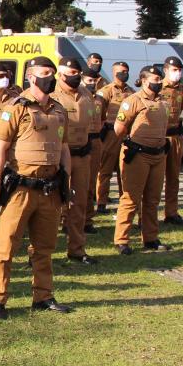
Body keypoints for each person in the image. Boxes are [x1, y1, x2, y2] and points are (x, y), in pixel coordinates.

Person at [0, 56, 72, 320]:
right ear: (31, 77)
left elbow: (64, 148)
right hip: (20, 188)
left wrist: (67, 182)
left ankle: (43, 296)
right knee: (6, 247)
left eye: (53, 73)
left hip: (50, 189)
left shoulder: (59, 110)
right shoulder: (15, 108)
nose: (51, 78)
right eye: (45, 73)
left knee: (44, 248)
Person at [112, 66, 171, 254]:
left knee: (152, 199)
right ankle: (122, 240)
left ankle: (151, 238)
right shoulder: (133, 101)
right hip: (138, 155)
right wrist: (131, 142)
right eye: (155, 79)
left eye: (160, 79)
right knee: (131, 198)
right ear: (144, 81)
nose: (159, 82)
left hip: (158, 155)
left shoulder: (164, 101)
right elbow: (119, 128)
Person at [50, 57, 97, 264]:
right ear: (60, 75)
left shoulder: (86, 94)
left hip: (82, 155)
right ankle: (40, 253)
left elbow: (92, 124)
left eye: (78, 73)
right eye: (71, 74)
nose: (76, 77)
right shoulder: (51, 94)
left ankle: (77, 249)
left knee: (79, 204)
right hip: (57, 156)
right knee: (50, 204)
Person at [94, 61, 134, 214]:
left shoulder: (131, 92)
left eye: (126, 71)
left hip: (126, 135)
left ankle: (125, 202)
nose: (124, 73)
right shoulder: (106, 91)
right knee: (105, 170)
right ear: (114, 72)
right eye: (121, 71)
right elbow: (98, 113)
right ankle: (101, 203)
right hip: (110, 134)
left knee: (125, 171)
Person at [161, 56, 183, 226]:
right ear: (166, 70)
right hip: (160, 137)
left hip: (175, 137)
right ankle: (147, 215)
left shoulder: (182, 90)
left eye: (179, 70)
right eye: (174, 70)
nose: (177, 73)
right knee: (155, 178)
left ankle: (171, 212)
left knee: (173, 177)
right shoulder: (157, 87)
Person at [81, 67, 106, 235]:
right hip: (79, 142)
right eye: (89, 80)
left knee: (91, 183)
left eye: (95, 81)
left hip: (95, 141)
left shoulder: (99, 100)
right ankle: (67, 218)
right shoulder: (78, 98)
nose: (92, 84)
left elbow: (103, 119)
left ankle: (87, 220)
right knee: (74, 183)